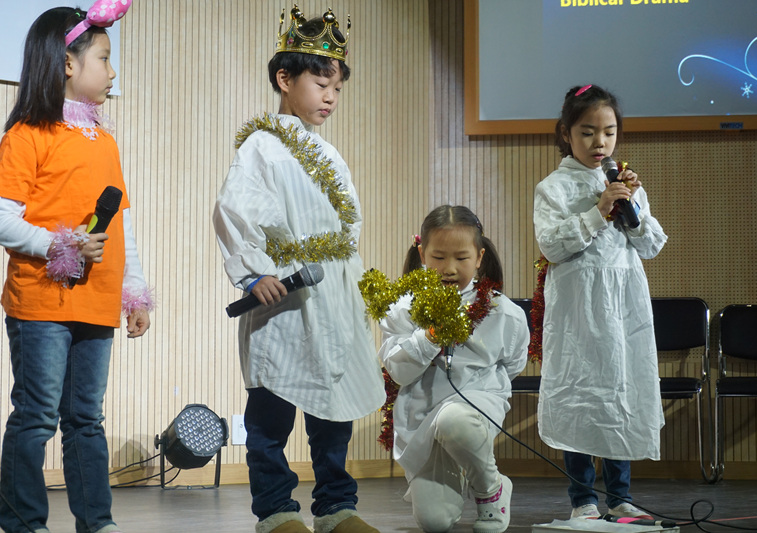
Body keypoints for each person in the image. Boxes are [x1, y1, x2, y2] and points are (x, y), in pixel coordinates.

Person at [212, 6, 384, 533]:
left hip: (332, 296)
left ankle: (337, 506)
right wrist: (253, 273)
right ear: (285, 79)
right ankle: (277, 510)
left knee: (332, 411)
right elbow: (235, 211)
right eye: (320, 82)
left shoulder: (331, 157)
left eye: (337, 86)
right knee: (272, 413)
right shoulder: (261, 145)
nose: (330, 96)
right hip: (284, 298)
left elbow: (346, 231)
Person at [0, 2, 153, 533]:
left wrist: (134, 288)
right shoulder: (27, 135)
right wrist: (61, 243)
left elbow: (118, 224)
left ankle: (95, 522)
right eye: (104, 58)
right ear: (67, 65)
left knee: (86, 420)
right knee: (35, 417)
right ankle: (24, 522)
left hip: (98, 303)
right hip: (42, 303)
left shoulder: (105, 141)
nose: (112, 70)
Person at [532, 84, 668, 520]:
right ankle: (583, 500)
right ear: (566, 133)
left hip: (623, 307)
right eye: (588, 132)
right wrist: (598, 210)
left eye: (609, 132)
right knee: (581, 397)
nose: (600, 142)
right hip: (579, 311)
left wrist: (632, 210)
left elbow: (651, 246)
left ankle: (621, 497)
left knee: (619, 392)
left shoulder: (625, 182)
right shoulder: (552, 187)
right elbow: (552, 245)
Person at [377, 205, 529, 533]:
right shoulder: (402, 310)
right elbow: (399, 373)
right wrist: (431, 337)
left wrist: (480, 390)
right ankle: (461, 469)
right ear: (421, 254)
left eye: (461, 258)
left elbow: (513, 365)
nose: (449, 268)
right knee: (434, 522)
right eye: (438, 257)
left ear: (479, 257)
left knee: (455, 420)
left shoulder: (504, 312)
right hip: (422, 417)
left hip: (474, 407)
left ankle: (491, 491)